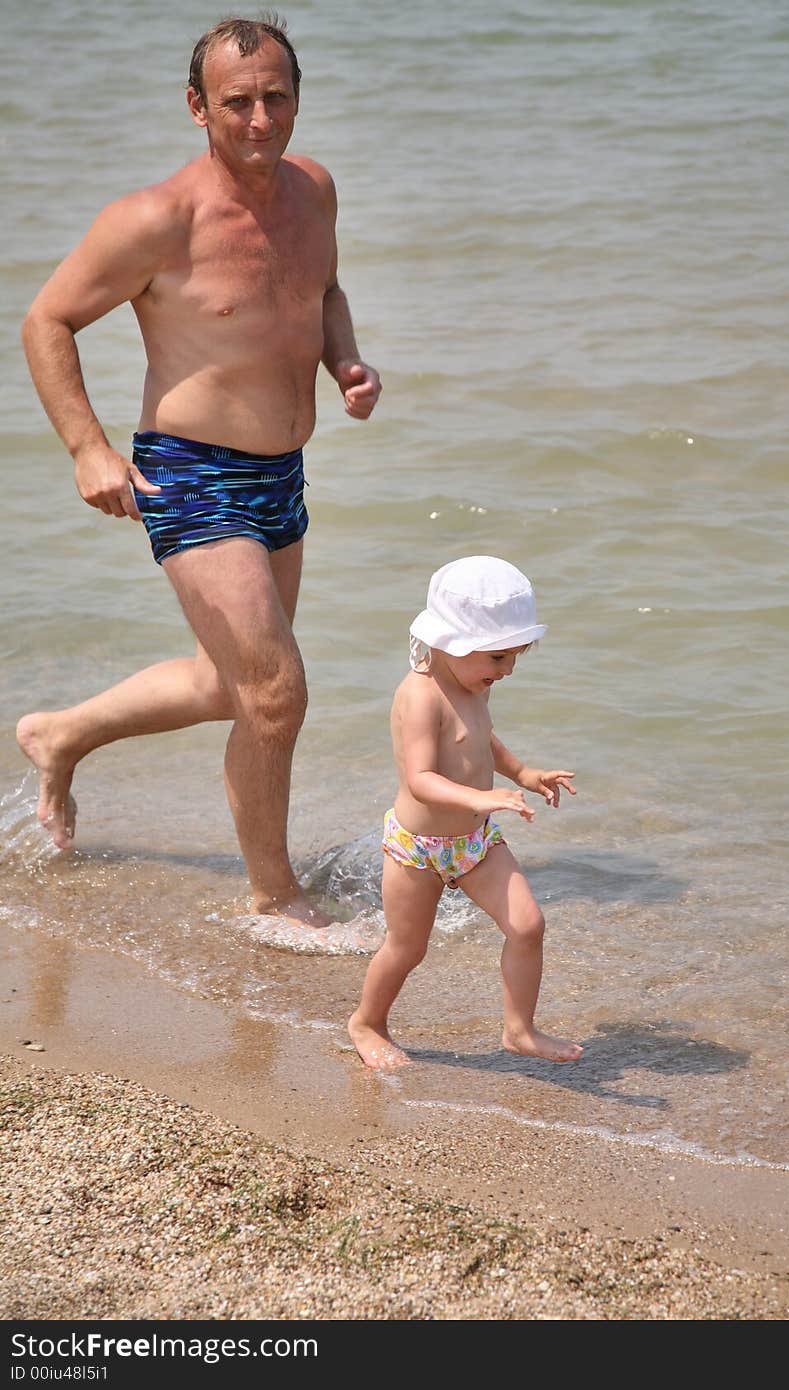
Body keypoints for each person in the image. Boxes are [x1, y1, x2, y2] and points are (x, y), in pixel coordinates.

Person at [17, 16, 381, 931]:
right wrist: (88, 449)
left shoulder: (316, 191)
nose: (261, 120)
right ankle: (273, 898)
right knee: (275, 693)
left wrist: (344, 361)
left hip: (280, 474)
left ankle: (58, 735)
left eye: (277, 98)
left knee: (228, 686)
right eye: (238, 103)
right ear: (197, 107)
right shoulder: (155, 219)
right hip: (190, 473)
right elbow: (46, 321)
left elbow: (322, 289)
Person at [348, 556, 584, 1069]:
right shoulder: (420, 695)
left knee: (527, 925)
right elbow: (421, 779)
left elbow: (480, 740)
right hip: (418, 849)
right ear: (451, 642)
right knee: (407, 948)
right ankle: (367, 1023)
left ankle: (519, 1029)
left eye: (515, 655)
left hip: (474, 844)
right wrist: (481, 798)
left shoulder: (471, 684)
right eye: (498, 657)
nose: (508, 670)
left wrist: (522, 774)